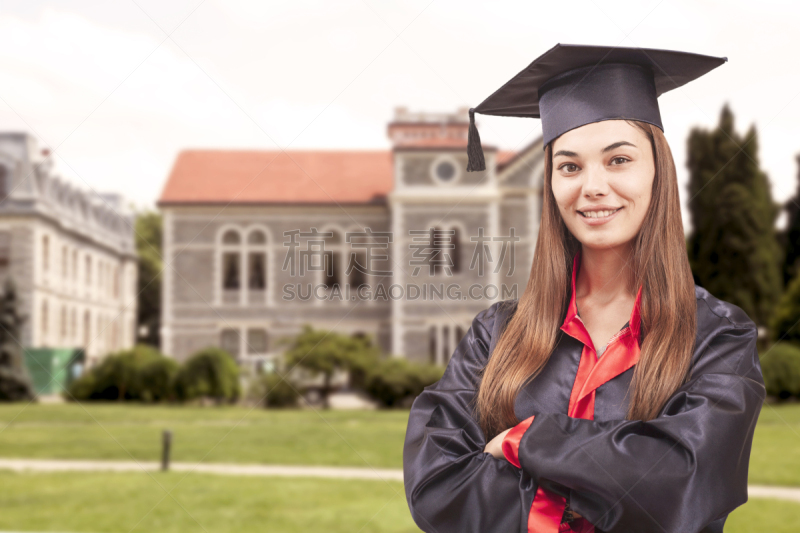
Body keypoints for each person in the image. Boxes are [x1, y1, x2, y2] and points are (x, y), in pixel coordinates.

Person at [402, 44, 766, 533]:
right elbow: (435, 485)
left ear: (658, 172)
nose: (592, 186)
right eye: (569, 166)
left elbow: (682, 482)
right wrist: (603, 488)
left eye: (618, 160)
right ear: (551, 184)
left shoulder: (717, 337)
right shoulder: (496, 334)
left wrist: (526, 440)